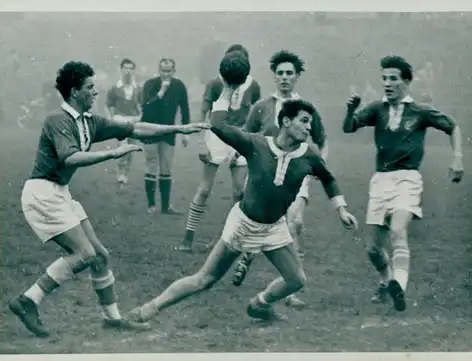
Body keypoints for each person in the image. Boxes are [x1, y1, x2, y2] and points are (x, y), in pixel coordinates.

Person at [125, 58, 358, 324]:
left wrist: (341, 210)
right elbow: (219, 125)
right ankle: (147, 310)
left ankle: (260, 304)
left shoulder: (309, 155)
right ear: (285, 122)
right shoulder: (257, 144)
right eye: (304, 121)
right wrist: (227, 89)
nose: (309, 127)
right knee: (204, 280)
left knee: (296, 280)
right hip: (244, 225)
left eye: (310, 122)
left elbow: (328, 179)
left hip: (274, 227)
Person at [8, 61, 209, 338]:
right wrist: (111, 154)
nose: (96, 92)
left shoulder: (91, 121)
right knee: (84, 254)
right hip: (42, 194)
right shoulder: (57, 120)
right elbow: (71, 157)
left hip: (59, 193)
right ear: (75, 91)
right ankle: (28, 300)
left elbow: (136, 128)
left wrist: (177, 128)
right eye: (90, 87)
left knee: (100, 256)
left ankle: (112, 318)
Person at [342, 55, 464, 312]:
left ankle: (400, 284)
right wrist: (350, 109)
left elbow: (453, 126)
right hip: (380, 181)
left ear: (406, 82)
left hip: (408, 179)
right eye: (384, 78)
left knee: (398, 231)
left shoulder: (420, 112)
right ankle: (388, 281)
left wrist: (457, 158)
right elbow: (349, 128)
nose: (387, 83)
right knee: (373, 249)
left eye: (393, 79)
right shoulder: (377, 109)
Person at [231, 50, 328, 309]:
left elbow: (321, 139)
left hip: (296, 173)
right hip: (263, 175)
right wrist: (238, 160)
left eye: (289, 73)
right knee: (264, 220)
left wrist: (316, 165)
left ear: (297, 77)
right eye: (280, 73)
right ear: (274, 76)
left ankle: (290, 290)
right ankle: (248, 254)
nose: (285, 78)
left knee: (295, 223)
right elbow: (245, 136)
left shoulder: (306, 109)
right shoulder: (261, 106)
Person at [178, 44, 261, 252]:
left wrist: (244, 145)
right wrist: (201, 141)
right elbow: (205, 112)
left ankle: (235, 239)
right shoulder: (216, 82)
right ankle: (187, 239)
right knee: (204, 189)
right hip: (216, 136)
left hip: (240, 137)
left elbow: (255, 116)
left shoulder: (253, 85)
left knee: (239, 191)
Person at [141, 58, 191, 214]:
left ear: (174, 71)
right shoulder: (150, 84)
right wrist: (161, 92)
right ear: (159, 70)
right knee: (151, 164)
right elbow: (146, 107)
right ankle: (151, 205)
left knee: (166, 167)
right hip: (149, 128)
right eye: (163, 70)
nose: (166, 74)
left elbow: (185, 109)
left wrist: (185, 132)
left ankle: (165, 206)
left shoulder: (179, 86)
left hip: (168, 129)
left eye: (169, 71)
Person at [105, 58, 143, 186]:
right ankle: (120, 172)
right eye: (126, 68)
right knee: (123, 145)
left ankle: (126, 172)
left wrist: (141, 115)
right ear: (121, 70)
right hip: (119, 119)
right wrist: (111, 117)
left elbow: (142, 104)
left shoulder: (137, 88)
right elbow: (109, 104)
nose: (128, 71)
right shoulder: (115, 88)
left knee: (132, 147)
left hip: (134, 119)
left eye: (131, 68)